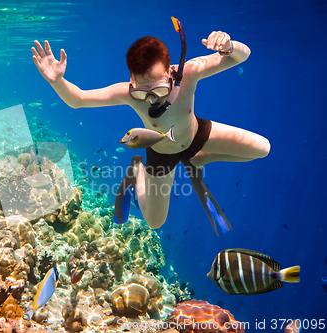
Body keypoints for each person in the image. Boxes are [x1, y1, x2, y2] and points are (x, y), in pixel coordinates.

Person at [31, 18, 270, 234]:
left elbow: (241, 56)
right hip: (160, 153)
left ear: (170, 72)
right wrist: (58, 81)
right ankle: (138, 171)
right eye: (143, 92)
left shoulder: (189, 73)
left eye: (159, 90)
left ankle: (200, 157)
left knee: (262, 148)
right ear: (132, 81)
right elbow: (78, 99)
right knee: (156, 222)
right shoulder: (127, 93)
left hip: (198, 135)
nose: (154, 100)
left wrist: (229, 46)